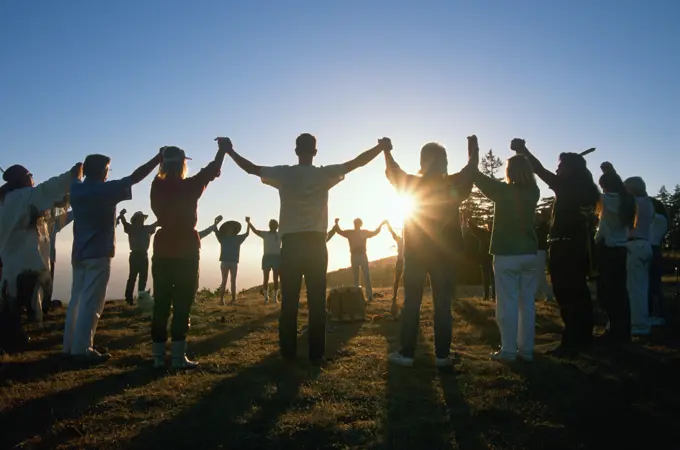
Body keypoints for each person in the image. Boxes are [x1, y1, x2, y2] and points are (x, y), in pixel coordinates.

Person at [224, 133, 388, 364]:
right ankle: (316, 354)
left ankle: (288, 353)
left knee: (289, 301)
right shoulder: (324, 174)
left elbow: (251, 168)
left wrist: (229, 151)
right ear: (315, 152)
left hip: (290, 245)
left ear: (296, 151)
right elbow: (357, 162)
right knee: (317, 302)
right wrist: (379, 148)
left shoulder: (284, 174)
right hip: (316, 245)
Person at [384, 138, 473, 368]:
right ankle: (443, 357)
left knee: (412, 303)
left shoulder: (411, 183)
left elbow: (393, 171)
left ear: (422, 161)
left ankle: (406, 355)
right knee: (443, 305)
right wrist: (474, 149)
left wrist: (386, 150)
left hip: (415, 253)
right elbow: (470, 171)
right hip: (444, 255)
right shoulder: (452, 184)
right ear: (444, 162)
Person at [64, 151, 160, 362]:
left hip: (78, 253)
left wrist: (78, 170)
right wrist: (157, 158)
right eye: (108, 169)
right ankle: (82, 349)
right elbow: (136, 177)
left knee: (77, 300)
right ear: (102, 171)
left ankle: (69, 345)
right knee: (92, 303)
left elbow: (73, 175)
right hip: (99, 254)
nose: (109, 173)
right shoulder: (106, 190)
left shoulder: (76, 187)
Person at [512, 139, 600, 358]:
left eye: (561, 165)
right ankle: (584, 337)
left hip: (564, 248)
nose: (558, 169)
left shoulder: (567, 187)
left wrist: (524, 151)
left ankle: (571, 341)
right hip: (577, 247)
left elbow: (539, 170)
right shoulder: (586, 190)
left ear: (570, 169)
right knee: (578, 292)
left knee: (566, 294)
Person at [150, 141, 227, 369]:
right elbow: (212, 169)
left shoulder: (156, 185)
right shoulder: (191, 186)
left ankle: (157, 358)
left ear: (162, 165)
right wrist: (222, 150)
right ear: (183, 164)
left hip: (162, 248)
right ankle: (177, 357)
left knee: (161, 303)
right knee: (183, 304)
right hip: (186, 250)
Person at [466, 137, 540, 362]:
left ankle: (508, 350)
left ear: (509, 172)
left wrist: (473, 151)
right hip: (530, 254)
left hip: (507, 255)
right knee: (526, 305)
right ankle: (526, 350)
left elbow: (474, 175)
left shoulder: (502, 191)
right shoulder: (534, 192)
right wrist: (524, 152)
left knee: (507, 304)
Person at [0, 163, 81, 353]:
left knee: (12, 302)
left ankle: (12, 337)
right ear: (23, 179)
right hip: (24, 263)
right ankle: (11, 341)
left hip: (12, 260)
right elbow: (49, 189)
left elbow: (47, 206)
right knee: (18, 302)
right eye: (30, 174)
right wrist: (73, 173)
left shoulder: (6, 201)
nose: (33, 178)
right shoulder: (25, 196)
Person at [594, 162, 636, 345]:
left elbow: (602, 227)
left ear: (604, 186)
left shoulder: (605, 200)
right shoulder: (627, 200)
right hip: (622, 249)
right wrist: (609, 171)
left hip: (607, 249)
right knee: (620, 291)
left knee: (606, 292)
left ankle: (613, 329)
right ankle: (622, 330)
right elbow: (614, 182)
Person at [623, 175, 654, 336]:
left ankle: (638, 325)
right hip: (644, 244)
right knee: (641, 286)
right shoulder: (648, 203)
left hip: (634, 245)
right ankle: (641, 321)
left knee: (634, 288)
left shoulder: (636, 203)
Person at [330, 217, 386, 301]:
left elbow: (375, 232)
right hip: (355, 255)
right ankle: (358, 296)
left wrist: (381, 225)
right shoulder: (351, 233)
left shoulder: (362, 232)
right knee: (357, 277)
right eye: (355, 223)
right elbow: (339, 231)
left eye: (357, 223)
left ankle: (369, 296)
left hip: (362, 255)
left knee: (365, 275)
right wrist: (336, 223)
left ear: (360, 224)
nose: (356, 225)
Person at [117, 209, 158, 306]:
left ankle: (139, 297)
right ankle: (130, 298)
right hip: (137, 255)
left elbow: (157, 223)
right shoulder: (143, 229)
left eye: (142, 218)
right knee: (133, 277)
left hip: (141, 255)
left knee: (141, 277)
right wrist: (121, 215)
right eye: (141, 218)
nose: (142, 219)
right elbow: (124, 222)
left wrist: (122, 215)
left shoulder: (139, 228)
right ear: (136, 219)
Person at [44, 195, 74, 313]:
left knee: (43, 283)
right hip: (49, 258)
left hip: (45, 257)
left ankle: (42, 305)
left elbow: (72, 215)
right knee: (48, 282)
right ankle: (44, 305)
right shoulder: (54, 222)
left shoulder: (51, 222)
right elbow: (72, 214)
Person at [211, 218, 250, 305]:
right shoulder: (223, 238)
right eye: (229, 228)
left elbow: (247, 234)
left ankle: (233, 299)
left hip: (233, 262)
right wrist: (215, 222)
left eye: (231, 228)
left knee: (233, 281)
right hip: (225, 262)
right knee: (224, 281)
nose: (230, 229)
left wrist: (248, 223)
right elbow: (215, 230)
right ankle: (222, 300)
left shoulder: (235, 238)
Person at [248, 218, 282, 304]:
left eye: (274, 225)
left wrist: (248, 222)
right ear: (270, 226)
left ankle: (274, 298)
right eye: (272, 225)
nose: (273, 226)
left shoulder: (280, 235)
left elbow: (255, 231)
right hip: (268, 257)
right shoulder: (265, 234)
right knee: (266, 278)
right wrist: (249, 223)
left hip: (275, 257)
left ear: (276, 226)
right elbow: (255, 231)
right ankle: (267, 298)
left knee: (274, 278)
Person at [648, 197, 669, 325]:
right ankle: (658, 312)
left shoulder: (655, 218)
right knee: (655, 283)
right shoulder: (663, 219)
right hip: (656, 249)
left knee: (650, 284)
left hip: (650, 247)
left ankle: (653, 312)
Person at [467, 220, 495, 301]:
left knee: (492, 278)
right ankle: (487, 296)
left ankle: (492, 296)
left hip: (491, 258)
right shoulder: (485, 234)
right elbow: (475, 229)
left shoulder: (486, 234)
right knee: (488, 278)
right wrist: (469, 221)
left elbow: (475, 229)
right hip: (486, 259)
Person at [534, 210, 554, 302]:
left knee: (540, 274)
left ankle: (546, 294)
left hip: (540, 251)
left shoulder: (544, 226)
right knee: (536, 274)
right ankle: (539, 293)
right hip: (535, 251)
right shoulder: (537, 227)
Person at [386, 221, 404, 316]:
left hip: (407, 261)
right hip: (401, 261)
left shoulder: (410, 240)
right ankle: (394, 295)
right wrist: (388, 225)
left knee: (405, 279)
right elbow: (392, 233)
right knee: (396, 279)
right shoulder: (399, 239)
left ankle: (399, 296)